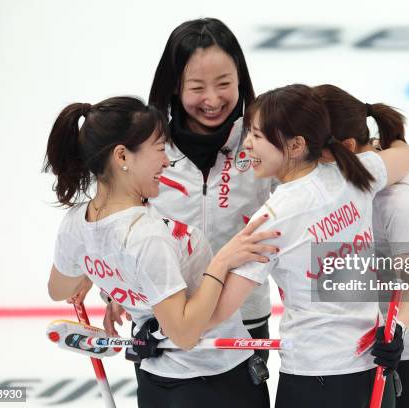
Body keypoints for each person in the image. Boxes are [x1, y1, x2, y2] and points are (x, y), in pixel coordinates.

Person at [44, 96, 273, 408]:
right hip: (212, 383)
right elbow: (184, 333)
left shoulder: (75, 223)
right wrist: (222, 261)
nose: (166, 161)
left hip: (154, 382)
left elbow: (60, 289)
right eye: (159, 148)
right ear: (122, 156)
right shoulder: (146, 235)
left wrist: (96, 268)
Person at [206, 84, 409, 408]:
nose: (247, 145)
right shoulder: (352, 173)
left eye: (258, 136)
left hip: (316, 381)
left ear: (295, 145)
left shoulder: (271, 220)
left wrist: (219, 261)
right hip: (371, 374)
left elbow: (215, 313)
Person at [104, 17, 274, 362]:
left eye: (224, 83)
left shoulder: (264, 142)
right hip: (166, 317)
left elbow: (316, 204)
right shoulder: (146, 152)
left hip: (243, 316)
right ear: (174, 87)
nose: (212, 99)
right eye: (197, 87)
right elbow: (118, 224)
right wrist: (111, 289)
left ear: (240, 79)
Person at [313, 84, 409, 408]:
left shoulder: (398, 203)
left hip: (406, 358)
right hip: (357, 351)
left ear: (344, 147)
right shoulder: (342, 181)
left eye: (312, 148)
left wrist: (396, 330)